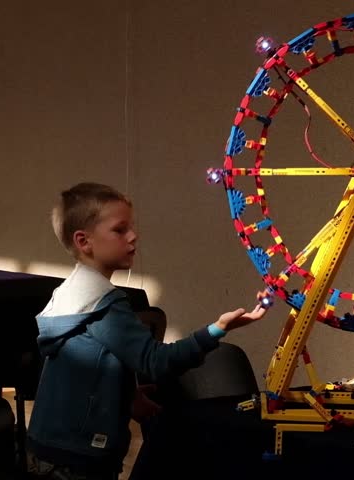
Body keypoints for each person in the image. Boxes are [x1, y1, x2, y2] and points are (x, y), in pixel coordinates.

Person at [27, 182, 267, 479]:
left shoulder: (69, 294)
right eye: (119, 229)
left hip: (50, 446)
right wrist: (216, 330)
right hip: (79, 456)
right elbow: (155, 361)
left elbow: (89, 364)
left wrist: (125, 394)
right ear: (83, 241)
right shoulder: (104, 304)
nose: (132, 236)